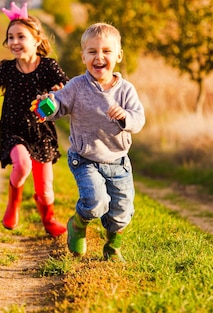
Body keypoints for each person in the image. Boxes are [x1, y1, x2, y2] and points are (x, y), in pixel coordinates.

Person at [35, 22, 145, 262]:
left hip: (118, 162)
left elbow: (138, 120)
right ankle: (78, 224)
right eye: (92, 52)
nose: (99, 57)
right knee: (96, 203)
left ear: (118, 55)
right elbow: (57, 105)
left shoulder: (126, 90)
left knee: (122, 213)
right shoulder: (76, 86)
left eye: (106, 51)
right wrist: (47, 105)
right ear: (83, 55)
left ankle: (112, 248)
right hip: (85, 159)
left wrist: (125, 116)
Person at [0, 2, 68, 237]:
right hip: (13, 130)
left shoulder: (48, 66)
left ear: (36, 39)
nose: (14, 42)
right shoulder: (6, 69)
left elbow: (66, 86)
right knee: (22, 165)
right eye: (10, 37)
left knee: (45, 189)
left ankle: (49, 219)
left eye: (20, 36)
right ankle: (12, 204)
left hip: (41, 131)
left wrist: (57, 94)